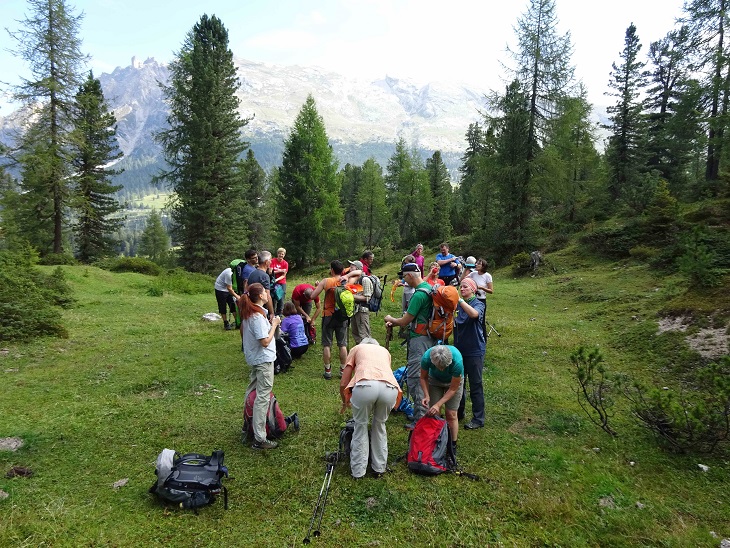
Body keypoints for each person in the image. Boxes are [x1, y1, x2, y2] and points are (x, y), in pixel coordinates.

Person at [340, 338, 402, 479]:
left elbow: (344, 381)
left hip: (364, 385)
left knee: (360, 425)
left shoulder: (356, 349)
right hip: (389, 388)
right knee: (379, 425)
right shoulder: (385, 352)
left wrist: (345, 401)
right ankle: (379, 468)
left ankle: (358, 471)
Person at [384, 263, 434, 427]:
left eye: (404, 276)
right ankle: (425, 412)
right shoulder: (429, 287)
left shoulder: (419, 295)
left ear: (411, 275)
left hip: (419, 341)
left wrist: (391, 319)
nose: (403, 279)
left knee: (415, 378)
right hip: (429, 338)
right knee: (424, 376)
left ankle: (420, 418)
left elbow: (405, 320)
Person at [239, 283, 281, 450]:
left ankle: (247, 426)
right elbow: (264, 341)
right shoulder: (256, 317)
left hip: (256, 359)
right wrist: (275, 324)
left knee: (252, 392)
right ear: (261, 296)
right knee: (262, 397)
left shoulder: (252, 313)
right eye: (265, 292)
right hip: (263, 361)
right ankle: (259, 438)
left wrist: (270, 324)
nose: (267, 294)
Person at [453, 277, 486, 430]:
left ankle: (478, 418)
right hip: (459, 349)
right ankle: (459, 412)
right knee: (458, 383)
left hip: (474, 350)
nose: (462, 288)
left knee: (476, 384)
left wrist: (459, 301)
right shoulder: (457, 305)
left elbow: (474, 315)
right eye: (461, 286)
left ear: (473, 289)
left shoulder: (478, 303)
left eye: (465, 286)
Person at [419, 345, 464, 452]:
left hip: (452, 383)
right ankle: (437, 441)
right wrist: (427, 395)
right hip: (434, 380)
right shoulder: (426, 358)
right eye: (439, 367)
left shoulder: (457, 361)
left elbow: (453, 389)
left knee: (451, 414)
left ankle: (452, 444)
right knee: (434, 413)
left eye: (444, 367)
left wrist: (438, 404)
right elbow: (423, 377)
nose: (442, 369)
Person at [310, 260, 349, 380]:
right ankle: (343, 370)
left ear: (332, 270)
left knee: (327, 344)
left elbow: (312, 296)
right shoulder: (345, 281)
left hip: (328, 315)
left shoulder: (326, 281)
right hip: (342, 315)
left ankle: (328, 371)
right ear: (342, 270)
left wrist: (317, 287)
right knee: (342, 344)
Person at [468, 258, 493, 338]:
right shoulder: (473, 274)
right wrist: (466, 268)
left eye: (479, 264)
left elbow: (491, 291)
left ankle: (483, 339)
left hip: (481, 299)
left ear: (483, 266)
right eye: (476, 263)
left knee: (481, 320)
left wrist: (481, 288)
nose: (476, 265)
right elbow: (463, 280)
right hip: (472, 299)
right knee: (470, 319)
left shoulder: (487, 276)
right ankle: (472, 337)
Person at [349, 260, 373, 344]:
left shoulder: (365, 280)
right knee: (355, 333)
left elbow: (367, 298)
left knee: (364, 334)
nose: (350, 269)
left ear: (358, 268)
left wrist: (351, 296)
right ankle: (359, 351)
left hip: (362, 310)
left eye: (352, 267)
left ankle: (366, 353)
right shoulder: (354, 280)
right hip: (354, 310)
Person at [247, 250, 274, 319]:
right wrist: (271, 313)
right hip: (261, 307)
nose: (271, 262)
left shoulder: (252, 273)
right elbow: (268, 296)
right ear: (266, 262)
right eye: (270, 260)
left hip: (251, 306)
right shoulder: (264, 276)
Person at [214, 265, 239, 330]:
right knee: (222, 305)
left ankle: (237, 322)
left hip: (229, 288)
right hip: (220, 289)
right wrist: (237, 296)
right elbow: (229, 288)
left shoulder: (238, 273)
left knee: (233, 304)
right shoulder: (229, 274)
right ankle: (226, 323)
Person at [270, 247, 289, 316]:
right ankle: (272, 312)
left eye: (282, 254)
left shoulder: (285, 263)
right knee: (273, 297)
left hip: (281, 282)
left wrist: (277, 280)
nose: (281, 255)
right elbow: (270, 272)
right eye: (280, 254)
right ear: (277, 254)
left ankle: (279, 313)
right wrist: (280, 270)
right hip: (272, 281)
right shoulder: (272, 261)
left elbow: (284, 275)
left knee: (281, 298)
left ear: (284, 255)